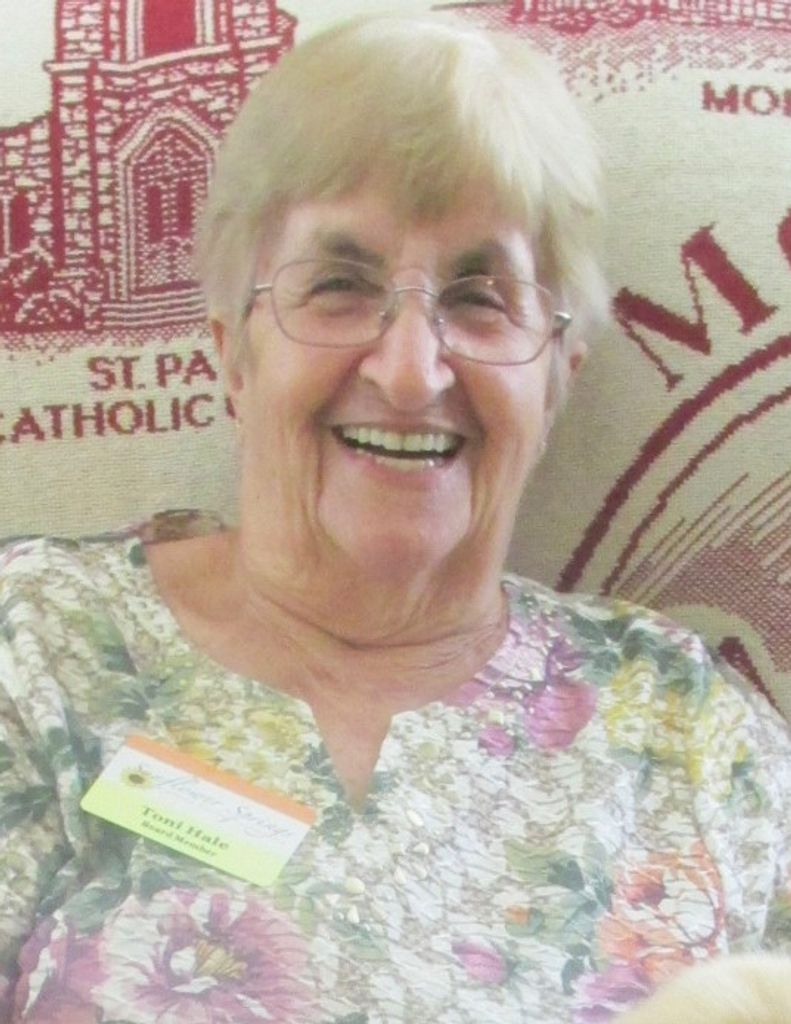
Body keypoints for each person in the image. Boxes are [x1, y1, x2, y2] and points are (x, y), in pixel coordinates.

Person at [0, 13, 789, 1024]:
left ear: (556, 378)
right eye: (339, 286)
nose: (411, 372)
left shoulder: (686, 732)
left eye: (480, 297)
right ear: (232, 353)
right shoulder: (36, 647)